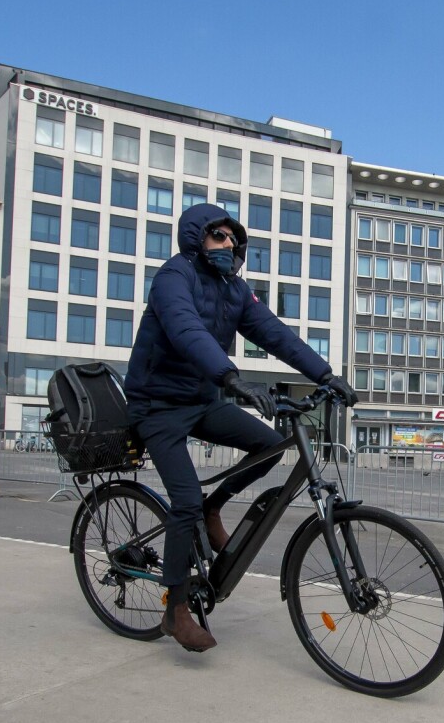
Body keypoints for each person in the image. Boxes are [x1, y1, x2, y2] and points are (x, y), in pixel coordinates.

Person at [124, 203, 357, 653]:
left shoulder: (235, 289)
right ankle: (175, 608)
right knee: (184, 500)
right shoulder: (175, 277)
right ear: (197, 237)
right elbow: (185, 329)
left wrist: (326, 375)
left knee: (270, 445)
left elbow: (275, 333)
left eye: (233, 238)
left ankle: (215, 508)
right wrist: (231, 378)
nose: (228, 243)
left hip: (201, 401)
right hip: (157, 406)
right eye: (218, 235)